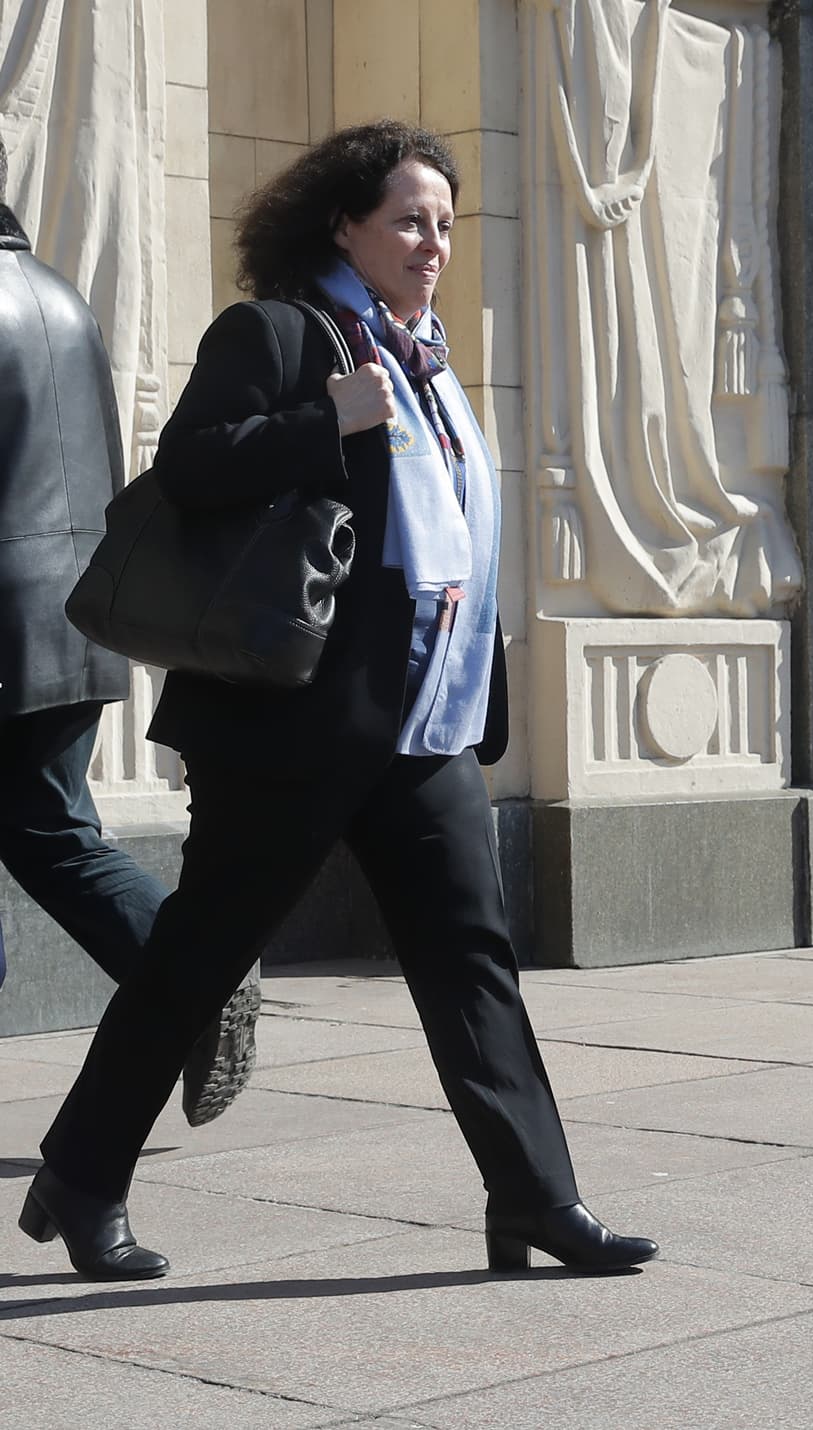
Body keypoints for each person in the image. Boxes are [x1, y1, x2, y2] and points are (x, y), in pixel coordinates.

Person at [20, 121, 656, 1281]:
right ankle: (84, 1173)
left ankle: (534, 1196)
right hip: (294, 724)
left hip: (426, 725)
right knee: (197, 959)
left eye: (446, 225)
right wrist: (330, 418)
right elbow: (193, 464)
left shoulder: (429, 354)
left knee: (472, 961)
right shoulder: (277, 332)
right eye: (410, 220)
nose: (433, 243)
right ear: (343, 224)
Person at [0, 135, 258, 1129]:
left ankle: (196, 965)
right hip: (67, 625)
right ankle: (194, 966)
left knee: (51, 833)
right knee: (54, 832)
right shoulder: (62, 298)